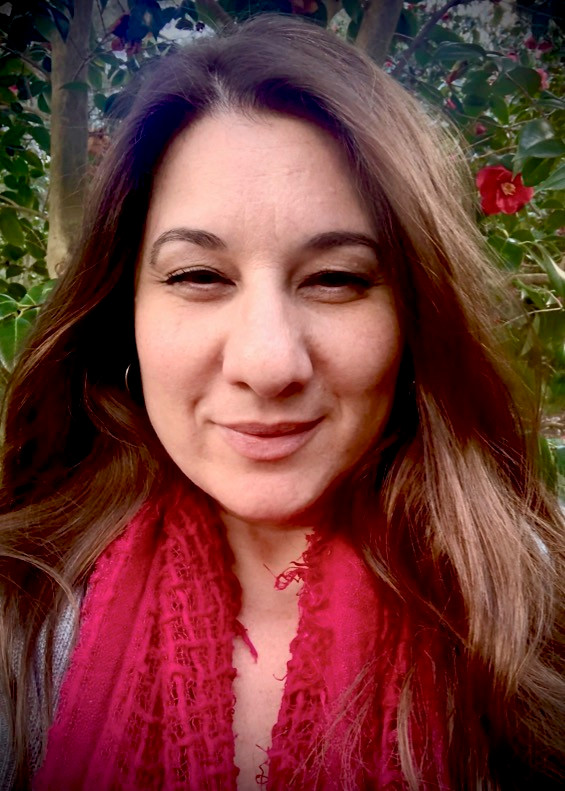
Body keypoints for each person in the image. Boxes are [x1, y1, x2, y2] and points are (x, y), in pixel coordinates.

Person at [1, 13, 564, 791]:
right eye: (198, 276)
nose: (268, 364)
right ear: (121, 313)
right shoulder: (21, 616)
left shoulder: (539, 618)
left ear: (416, 316)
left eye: (335, 279)